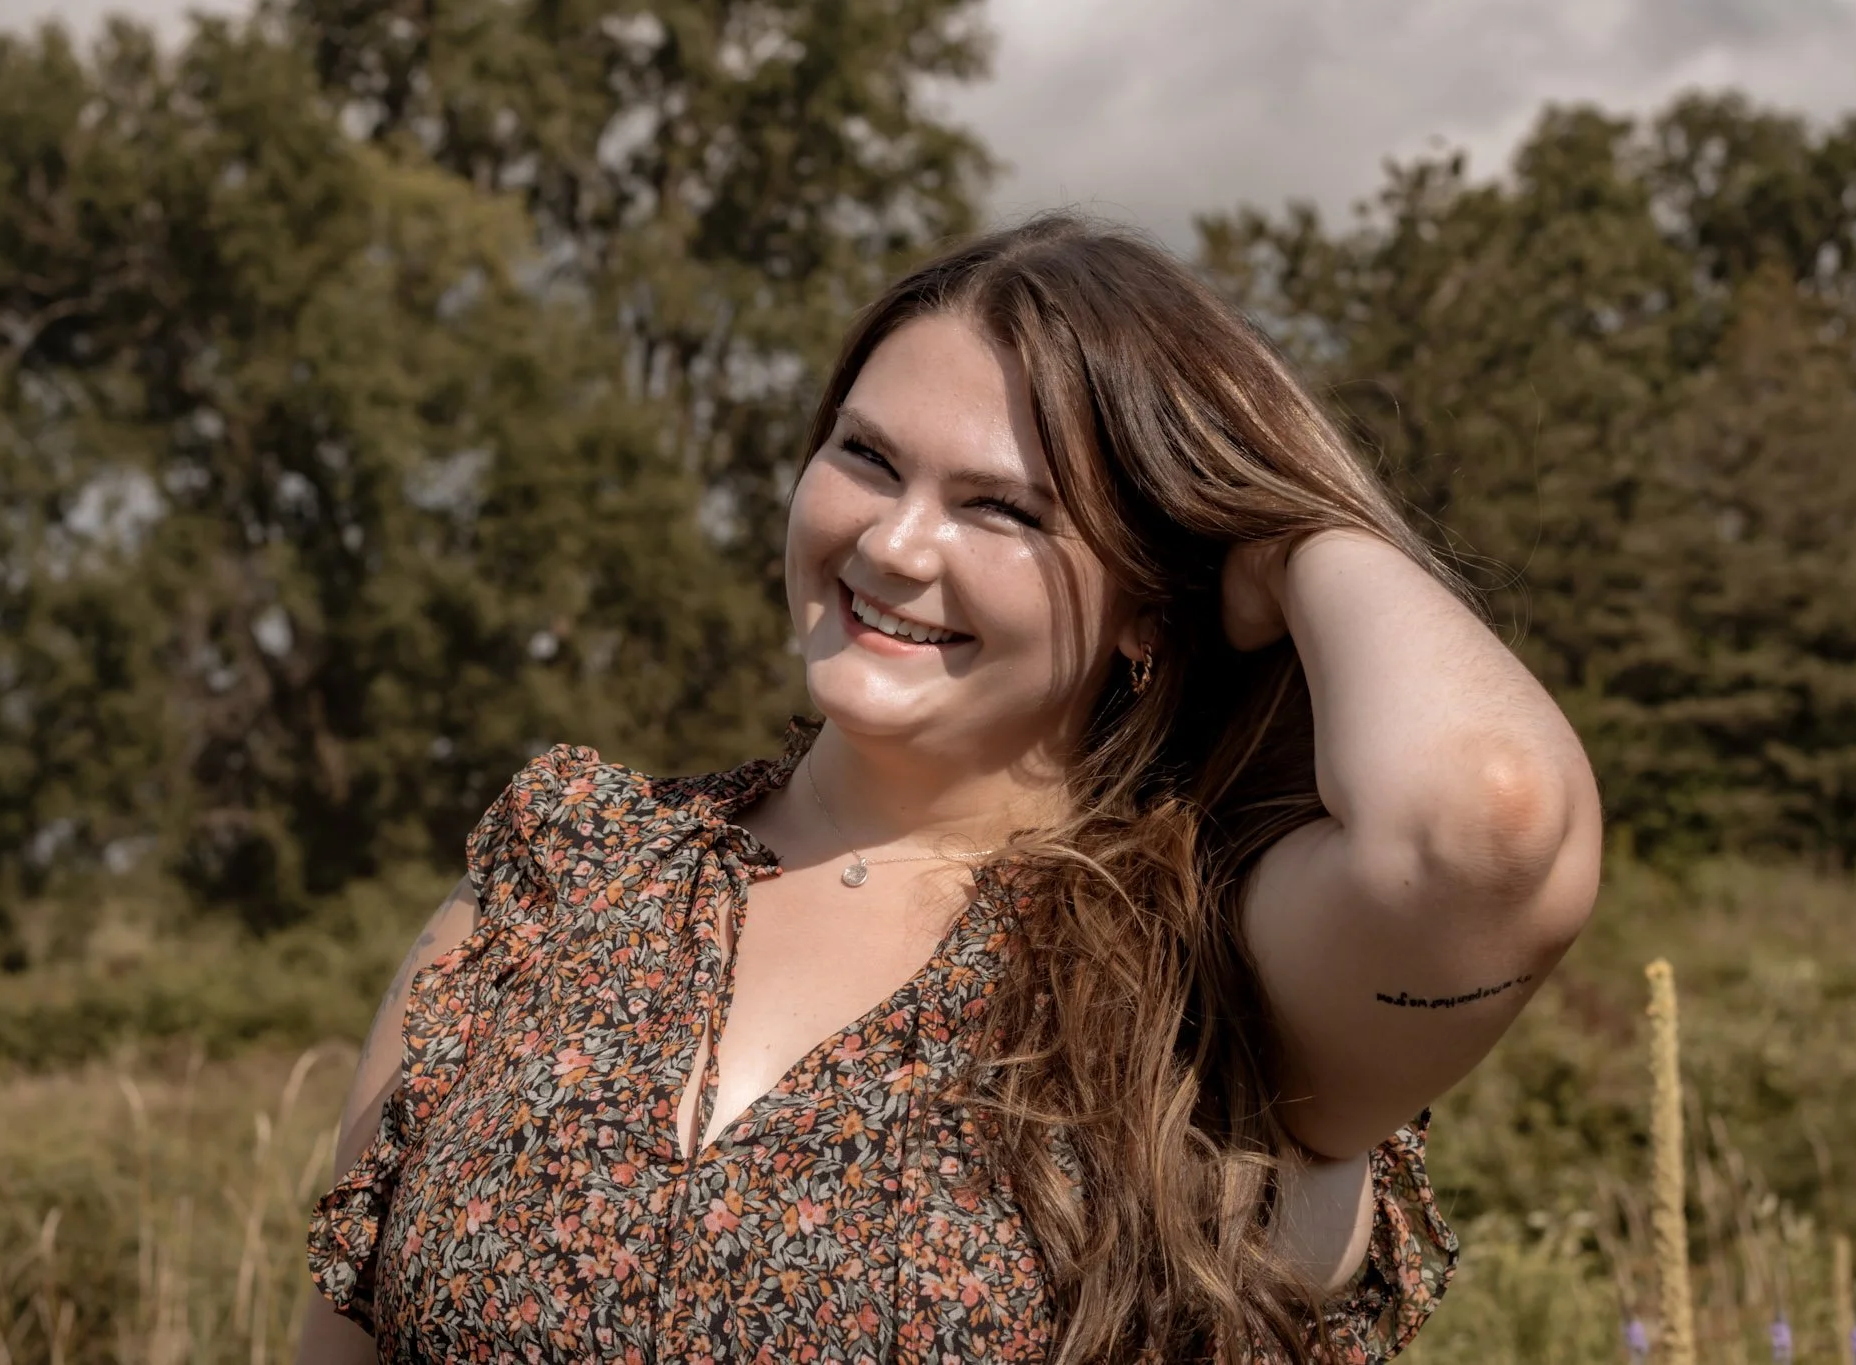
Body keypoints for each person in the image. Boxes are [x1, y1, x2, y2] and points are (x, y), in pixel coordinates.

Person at [296, 214, 1603, 1363]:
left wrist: (1300, 535)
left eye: (1005, 511)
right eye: (866, 458)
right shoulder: (561, 878)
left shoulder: (1222, 972)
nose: (893, 541)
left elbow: (1482, 817)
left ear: (1152, 606)